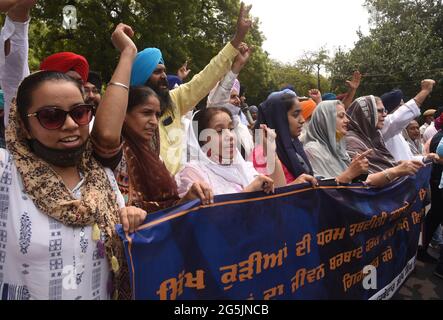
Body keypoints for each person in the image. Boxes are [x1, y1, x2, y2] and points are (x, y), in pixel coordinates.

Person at [0, 14, 147, 299]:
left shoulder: (102, 178)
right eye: (51, 116)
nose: (70, 125)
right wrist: (16, 19)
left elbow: (106, 136)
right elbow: (11, 74)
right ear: (25, 127)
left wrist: (131, 218)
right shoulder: (7, 175)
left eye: (79, 113)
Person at [91, 26, 213, 213]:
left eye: (157, 115)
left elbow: (165, 212)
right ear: (123, 114)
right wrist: (128, 52)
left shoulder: (153, 154)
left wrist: (187, 199)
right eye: (146, 113)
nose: (154, 122)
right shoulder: (116, 152)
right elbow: (107, 134)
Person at [130, 3, 253, 175]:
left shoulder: (173, 101)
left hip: (182, 192)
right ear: (142, 76)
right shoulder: (126, 115)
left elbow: (204, 79)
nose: (164, 76)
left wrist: (237, 39)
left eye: (164, 71)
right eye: (157, 72)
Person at [305, 100, 423, 187]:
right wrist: (350, 173)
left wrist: (396, 169)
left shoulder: (338, 147)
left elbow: (362, 181)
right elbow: (321, 190)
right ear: (326, 120)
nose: (347, 120)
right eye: (341, 116)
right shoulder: (313, 150)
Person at [176, 107, 276, 196]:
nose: (230, 136)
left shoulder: (243, 167)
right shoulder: (193, 173)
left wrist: (270, 150)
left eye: (231, 128)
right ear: (201, 140)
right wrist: (250, 191)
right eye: (219, 131)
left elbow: (279, 199)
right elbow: (210, 215)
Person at [345, 96, 425, 175]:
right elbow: (365, 179)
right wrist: (395, 170)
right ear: (364, 114)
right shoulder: (352, 141)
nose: (384, 115)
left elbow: (382, 166)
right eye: (379, 111)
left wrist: (398, 166)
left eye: (384, 111)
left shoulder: (375, 136)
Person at [254, 89, 316, 185]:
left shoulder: (294, 145)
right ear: (278, 119)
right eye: (295, 114)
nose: (302, 120)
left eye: (301, 114)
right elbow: (269, 195)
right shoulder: (261, 154)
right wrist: (294, 185)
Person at [206, 43, 254, 159]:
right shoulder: (210, 119)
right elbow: (220, 96)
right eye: (232, 96)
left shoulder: (242, 128)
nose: (237, 100)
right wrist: (237, 66)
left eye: (237, 96)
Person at [379, 81, 439, 163]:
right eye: (401, 106)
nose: (404, 108)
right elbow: (397, 119)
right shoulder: (383, 127)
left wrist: (425, 158)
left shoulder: (399, 132)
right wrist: (425, 91)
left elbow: (406, 158)